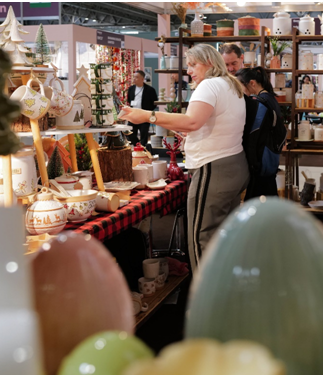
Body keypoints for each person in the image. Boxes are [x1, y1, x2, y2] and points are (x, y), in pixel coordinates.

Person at [120, 44, 249, 273]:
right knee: (225, 235)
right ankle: (228, 289)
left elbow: (192, 122)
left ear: (209, 62)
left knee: (202, 236)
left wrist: (147, 116)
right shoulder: (231, 84)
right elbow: (205, 122)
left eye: (193, 64)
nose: (189, 70)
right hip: (234, 164)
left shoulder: (209, 85)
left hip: (213, 168)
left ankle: (204, 298)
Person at [237, 67, 287, 199]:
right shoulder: (270, 98)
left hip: (261, 160)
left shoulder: (260, 103)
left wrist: (252, 163)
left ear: (252, 83)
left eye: (240, 85)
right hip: (270, 155)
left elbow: (254, 135)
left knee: (254, 202)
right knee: (270, 197)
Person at [126, 70, 158, 149]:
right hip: (133, 115)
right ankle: (138, 145)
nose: (134, 79)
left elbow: (154, 102)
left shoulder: (150, 90)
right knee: (129, 132)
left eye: (137, 77)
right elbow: (129, 100)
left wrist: (148, 111)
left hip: (144, 115)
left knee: (144, 134)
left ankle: (143, 149)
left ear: (142, 79)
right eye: (134, 77)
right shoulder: (131, 89)